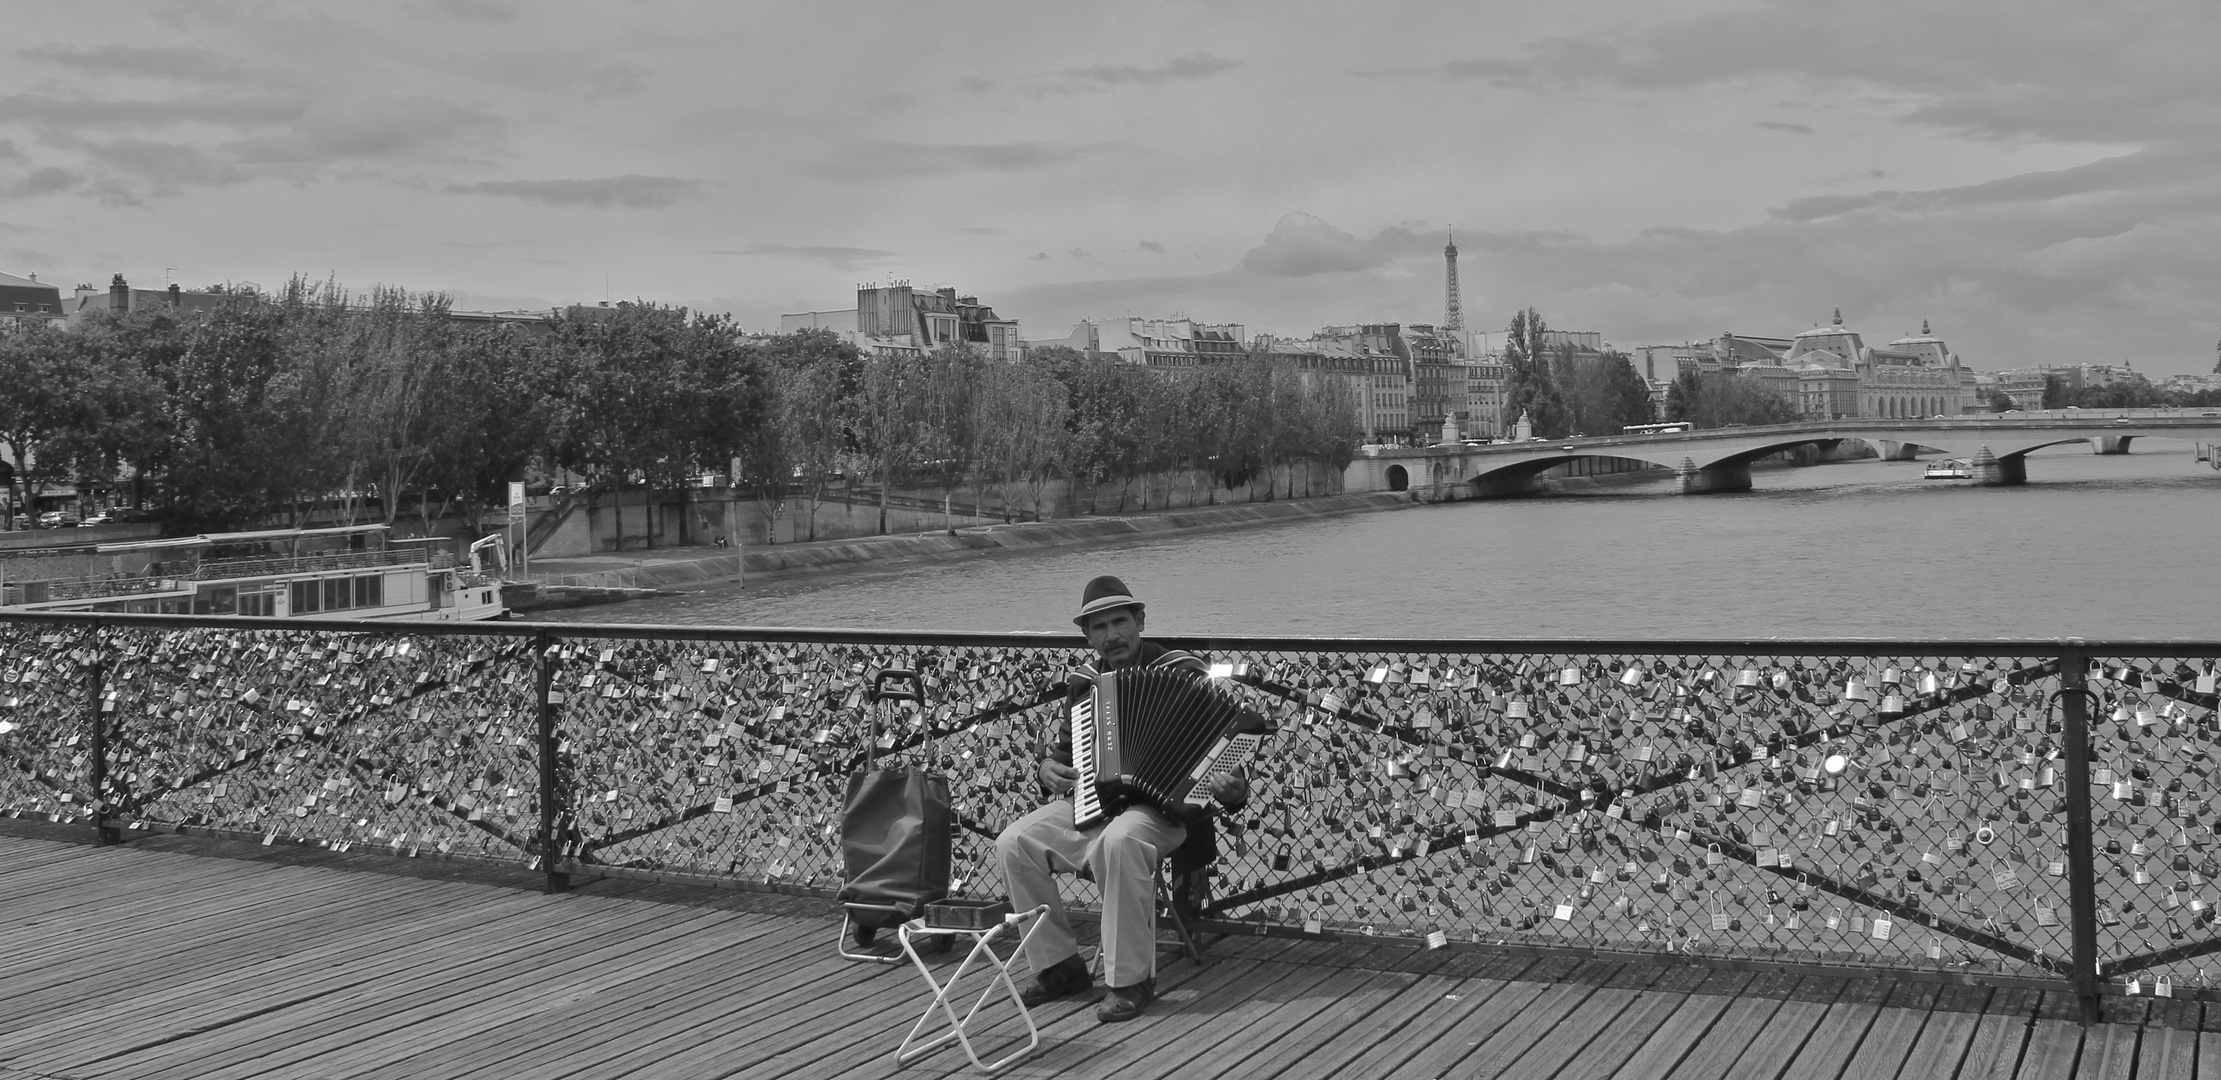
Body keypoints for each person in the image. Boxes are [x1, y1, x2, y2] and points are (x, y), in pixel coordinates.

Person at [995, 575, 1250, 1023]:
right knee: (1014, 842)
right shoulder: (1085, 683)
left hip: (1162, 811)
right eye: (1099, 627)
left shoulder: (1184, 671)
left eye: (1119, 622)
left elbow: (1227, 754)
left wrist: (1234, 789)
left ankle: (1130, 981)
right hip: (1093, 804)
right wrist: (1045, 770)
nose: (1111, 635)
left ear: (1140, 620)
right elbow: (1063, 755)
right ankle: (1060, 967)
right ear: (1087, 635)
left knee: (1119, 842)